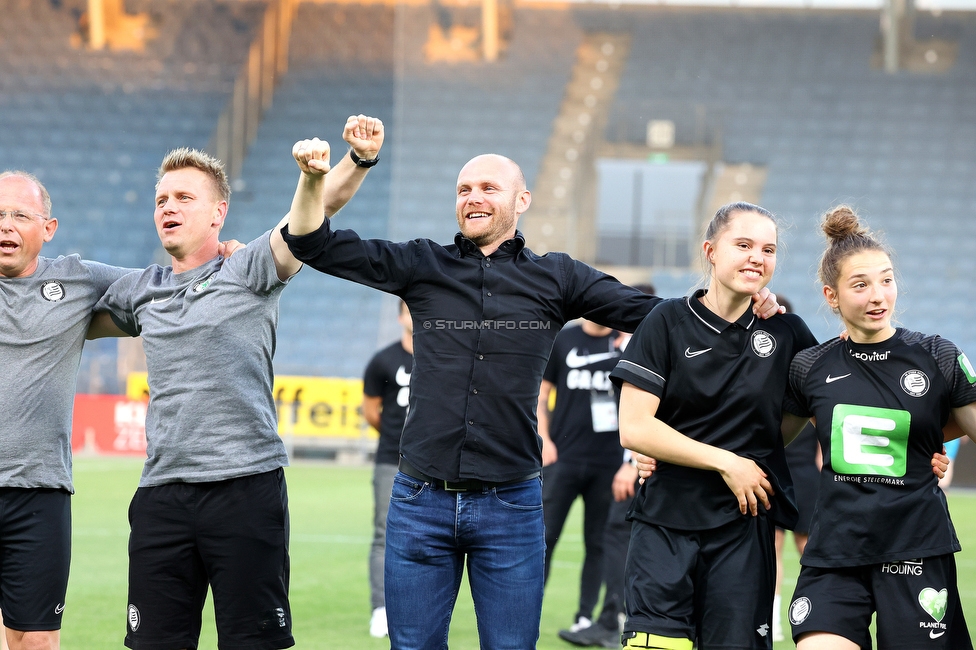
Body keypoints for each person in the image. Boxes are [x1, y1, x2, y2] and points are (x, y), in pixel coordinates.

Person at [280, 148, 783, 648]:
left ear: (522, 201)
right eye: (464, 189)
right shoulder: (421, 264)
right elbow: (310, 242)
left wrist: (738, 298)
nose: (473, 197)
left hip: (512, 505)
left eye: (488, 188)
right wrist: (315, 178)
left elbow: (652, 313)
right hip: (419, 501)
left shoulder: (557, 277)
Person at [88, 115, 384, 649]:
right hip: (161, 497)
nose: (168, 208)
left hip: (245, 490)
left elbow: (311, 220)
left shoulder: (247, 269)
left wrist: (341, 165)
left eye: (183, 197)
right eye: (161, 200)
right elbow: (64, 308)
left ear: (218, 213)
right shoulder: (141, 290)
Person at [610, 201, 817, 650]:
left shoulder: (787, 333)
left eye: (768, 249)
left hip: (743, 528)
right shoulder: (665, 321)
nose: (757, 258)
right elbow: (635, 428)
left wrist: (932, 449)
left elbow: (823, 406)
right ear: (710, 250)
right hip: (665, 522)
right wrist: (728, 463)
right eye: (742, 245)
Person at [784, 206, 976, 649]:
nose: (878, 296)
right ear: (831, 296)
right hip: (835, 550)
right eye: (861, 285)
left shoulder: (936, 356)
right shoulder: (810, 367)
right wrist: (661, 448)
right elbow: (757, 441)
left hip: (915, 549)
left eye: (886, 280)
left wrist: (927, 441)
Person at [0, 170, 135, 650]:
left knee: (34, 639)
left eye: (19, 214)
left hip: (39, 491)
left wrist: (219, 260)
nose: (5, 226)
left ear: (48, 228)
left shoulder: (76, 279)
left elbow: (160, 287)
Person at [558, 284, 656, 650]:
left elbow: (651, 416)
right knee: (618, 536)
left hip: (640, 467)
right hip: (624, 463)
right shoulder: (630, 348)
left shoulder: (648, 349)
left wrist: (631, 463)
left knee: (620, 538)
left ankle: (616, 621)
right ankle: (609, 620)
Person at [537, 318, 624, 637]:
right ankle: (528, 608)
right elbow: (541, 392)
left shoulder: (622, 343)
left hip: (609, 462)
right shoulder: (564, 339)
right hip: (563, 458)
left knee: (598, 543)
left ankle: (585, 617)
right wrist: (543, 437)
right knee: (543, 539)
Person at [362, 300, 413, 638]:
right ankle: (381, 608)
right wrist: (396, 438)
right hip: (390, 459)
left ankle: (413, 609)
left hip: (432, 462)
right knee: (383, 533)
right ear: (399, 317)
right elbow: (370, 411)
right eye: (409, 310)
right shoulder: (383, 360)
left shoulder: (444, 353)